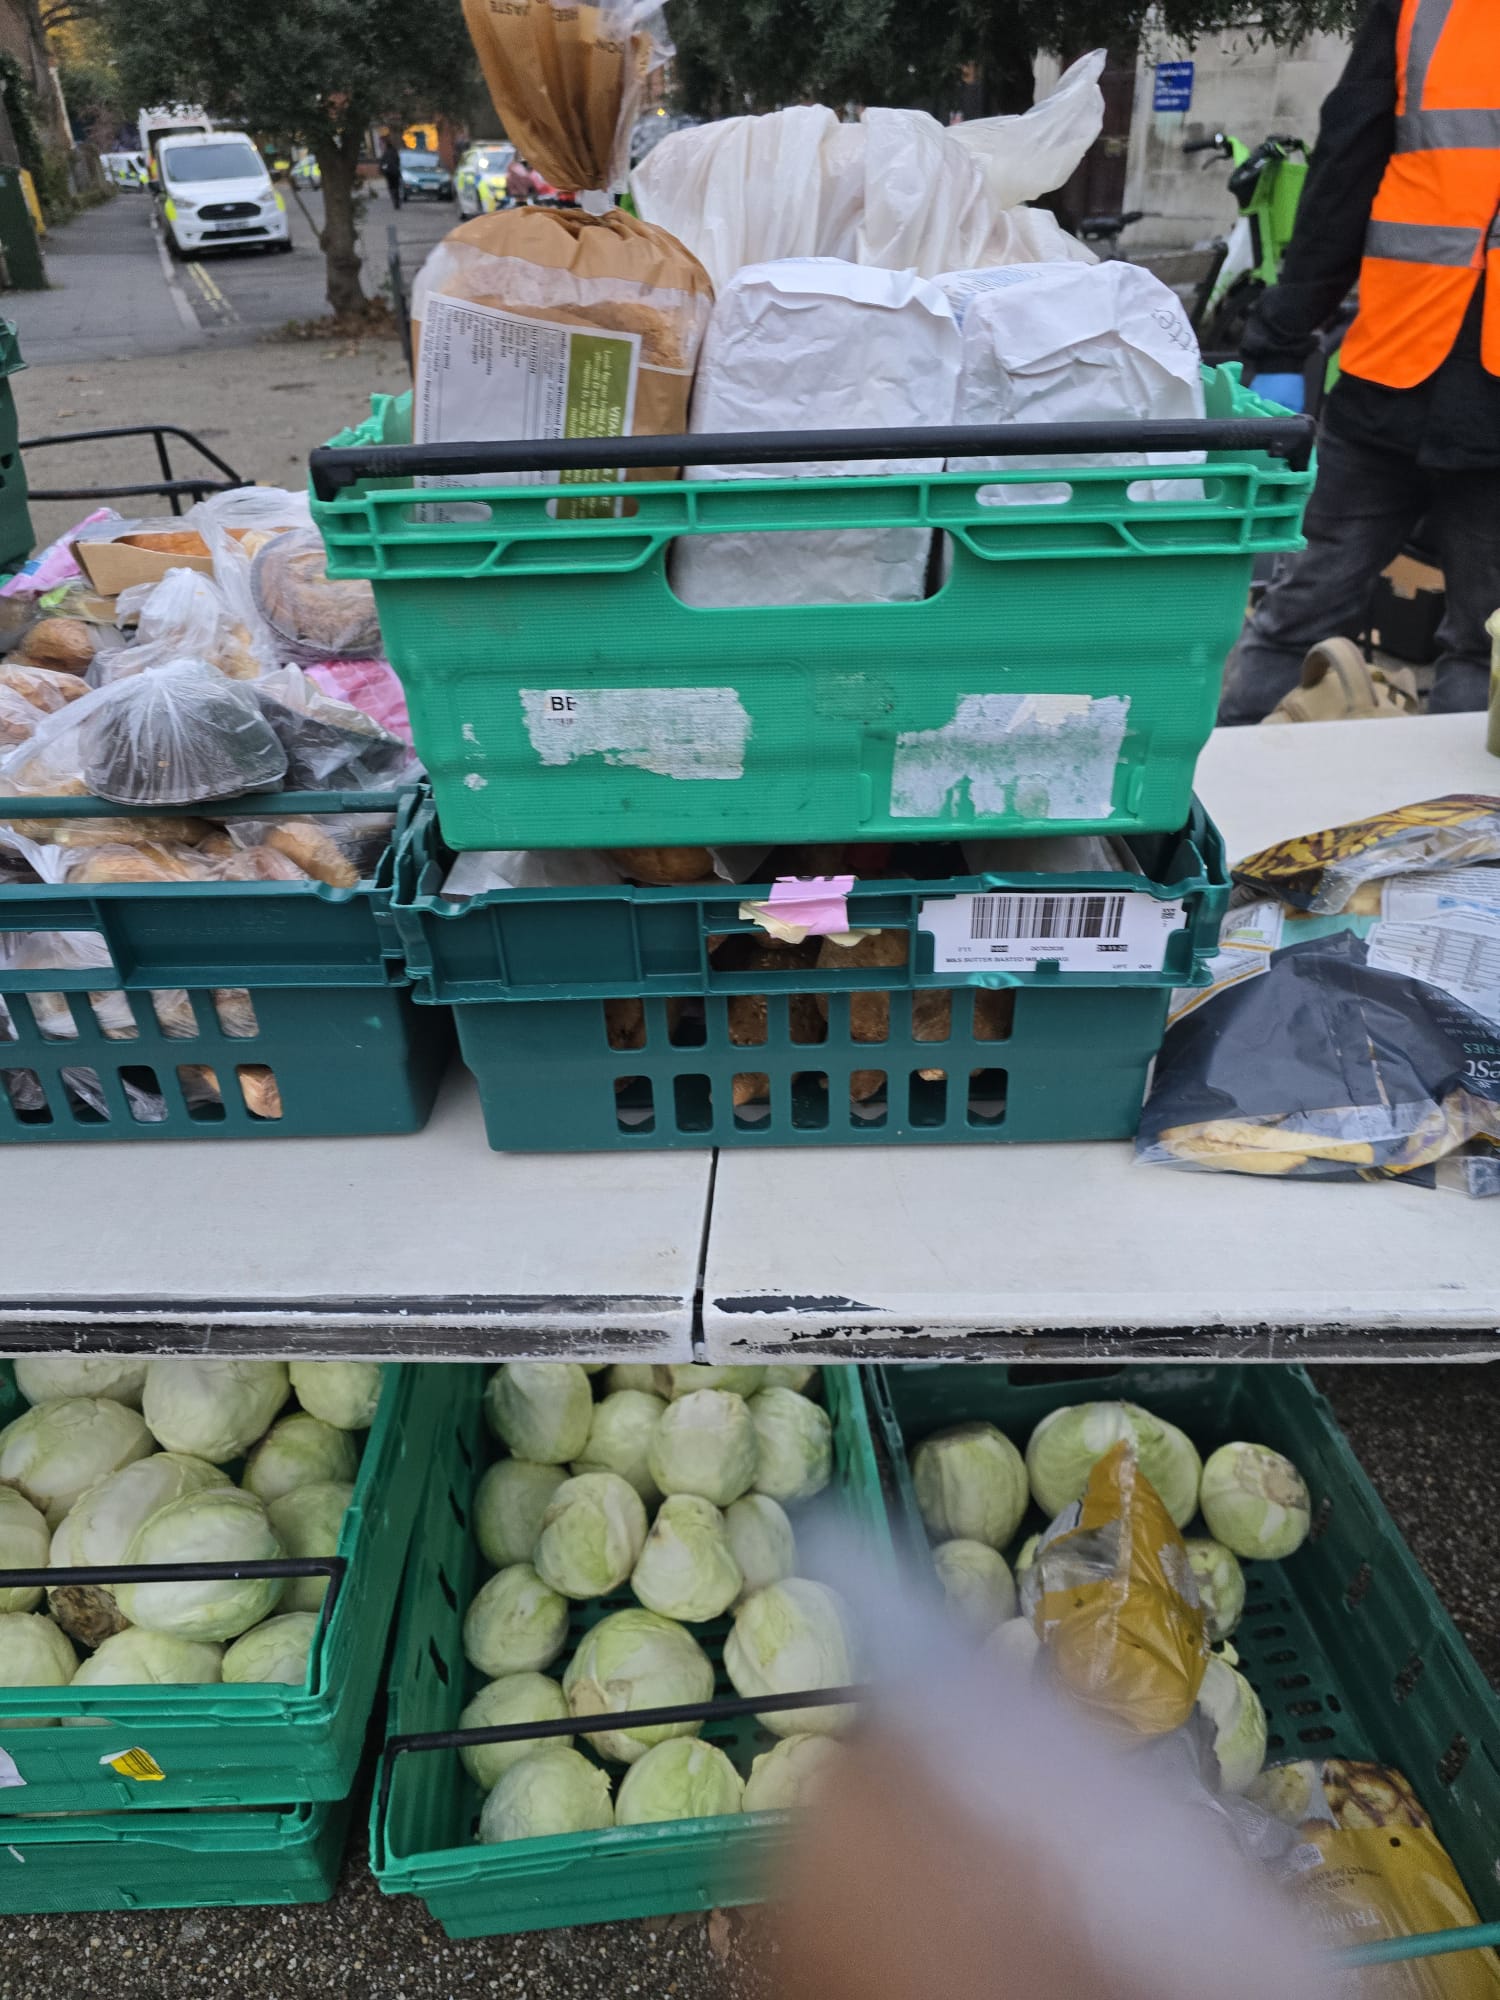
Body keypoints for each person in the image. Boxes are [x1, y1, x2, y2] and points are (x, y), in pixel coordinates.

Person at [1218, 0, 1500, 724]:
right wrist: (1282, 330)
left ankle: (1224, 817)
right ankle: (1453, 834)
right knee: (1482, 650)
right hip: (1403, 383)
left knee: (1298, 617)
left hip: (1395, 370)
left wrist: (1283, 329)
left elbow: (1350, 163)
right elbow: (1351, 162)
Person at [378, 133, 403, 208]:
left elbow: (383, 163)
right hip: (395, 172)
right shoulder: (394, 152)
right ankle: (396, 201)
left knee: (392, 187)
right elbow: (398, 161)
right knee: (396, 187)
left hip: (389, 172)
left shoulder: (386, 153)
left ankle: (395, 200)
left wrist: (382, 170)